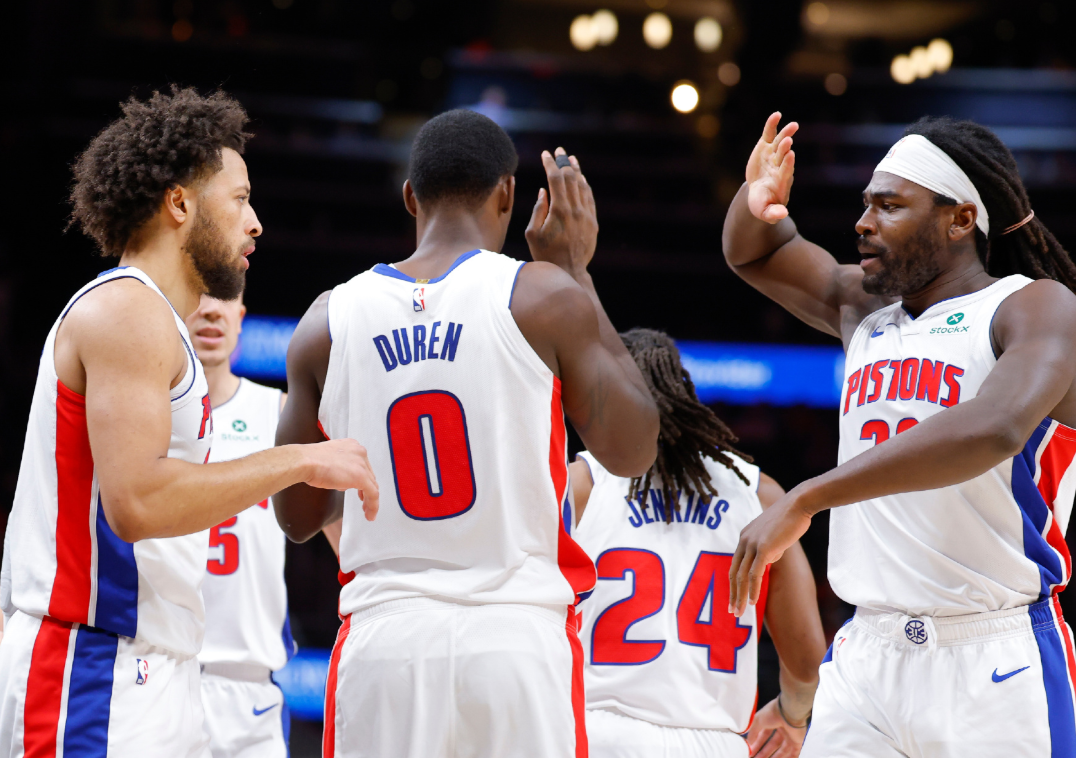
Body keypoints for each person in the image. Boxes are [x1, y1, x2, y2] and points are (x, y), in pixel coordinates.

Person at [0, 87, 377, 757]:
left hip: (155, 667)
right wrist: (300, 459)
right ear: (179, 203)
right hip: (94, 666)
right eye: (240, 198)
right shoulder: (128, 310)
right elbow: (138, 503)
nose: (255, 223)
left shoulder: (157, 325)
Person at [274, 108, 660, 758]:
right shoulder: (542, 296)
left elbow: (296, 516)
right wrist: (576, 272)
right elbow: (635, 449)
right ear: (507, 194)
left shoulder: (326, 321)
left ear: (409, 197)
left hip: (385, 640)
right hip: (515, 639)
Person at [722, 112, 1076, 757]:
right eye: (866, 204)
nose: (863, 222)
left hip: (992, 653)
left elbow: (996, 427)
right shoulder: (864, 309)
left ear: (960, 220)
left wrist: (806, 498)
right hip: (867, 653)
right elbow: (756, 252)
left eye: (889, 206)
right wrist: (757, 199)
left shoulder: (1033, 306)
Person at [569, 328, 826, 758]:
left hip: (598, 733)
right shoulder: (760, 496)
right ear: (685, 392)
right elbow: (806, 667)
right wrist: (791, 715)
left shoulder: (581, 485)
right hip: (714, 742)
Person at [185, 293, 296, 757]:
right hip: (161, 674)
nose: (212, 309)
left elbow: (347, 546)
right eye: (199, 294)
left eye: (225, 296)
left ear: (240, 316)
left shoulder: (279, 413)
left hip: (250, 691)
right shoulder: (139, 420)